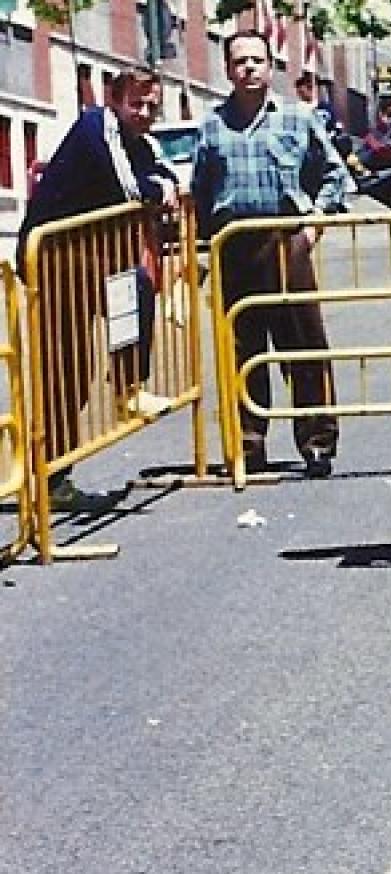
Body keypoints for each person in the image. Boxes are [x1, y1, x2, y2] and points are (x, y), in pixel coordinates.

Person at [18, 65, 178, 512]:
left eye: (153, 105)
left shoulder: (139, 139)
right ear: (115, 100)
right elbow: (131, 188)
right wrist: (156, 186)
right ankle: (51, 478)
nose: (146, 113)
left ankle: (128, 388)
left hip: (93, 258)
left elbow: (164, 169)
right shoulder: (96, 126)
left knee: (137, 291)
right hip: (54, 258)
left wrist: (163, 181)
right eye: (138, 104)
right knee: (65, 371)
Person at [193, 29, 351, 479]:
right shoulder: (210, 126)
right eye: (239, 61)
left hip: (286, 240)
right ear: (227, 69)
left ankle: (318, 440)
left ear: (269, 66)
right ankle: (248, 442)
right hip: (233, 244)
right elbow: (201, 193)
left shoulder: (297, 119)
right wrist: (205, 247)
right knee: (241, 349)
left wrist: (315, 224)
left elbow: (334, 175)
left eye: (257, 60)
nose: (248, 68)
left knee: (303, 344)